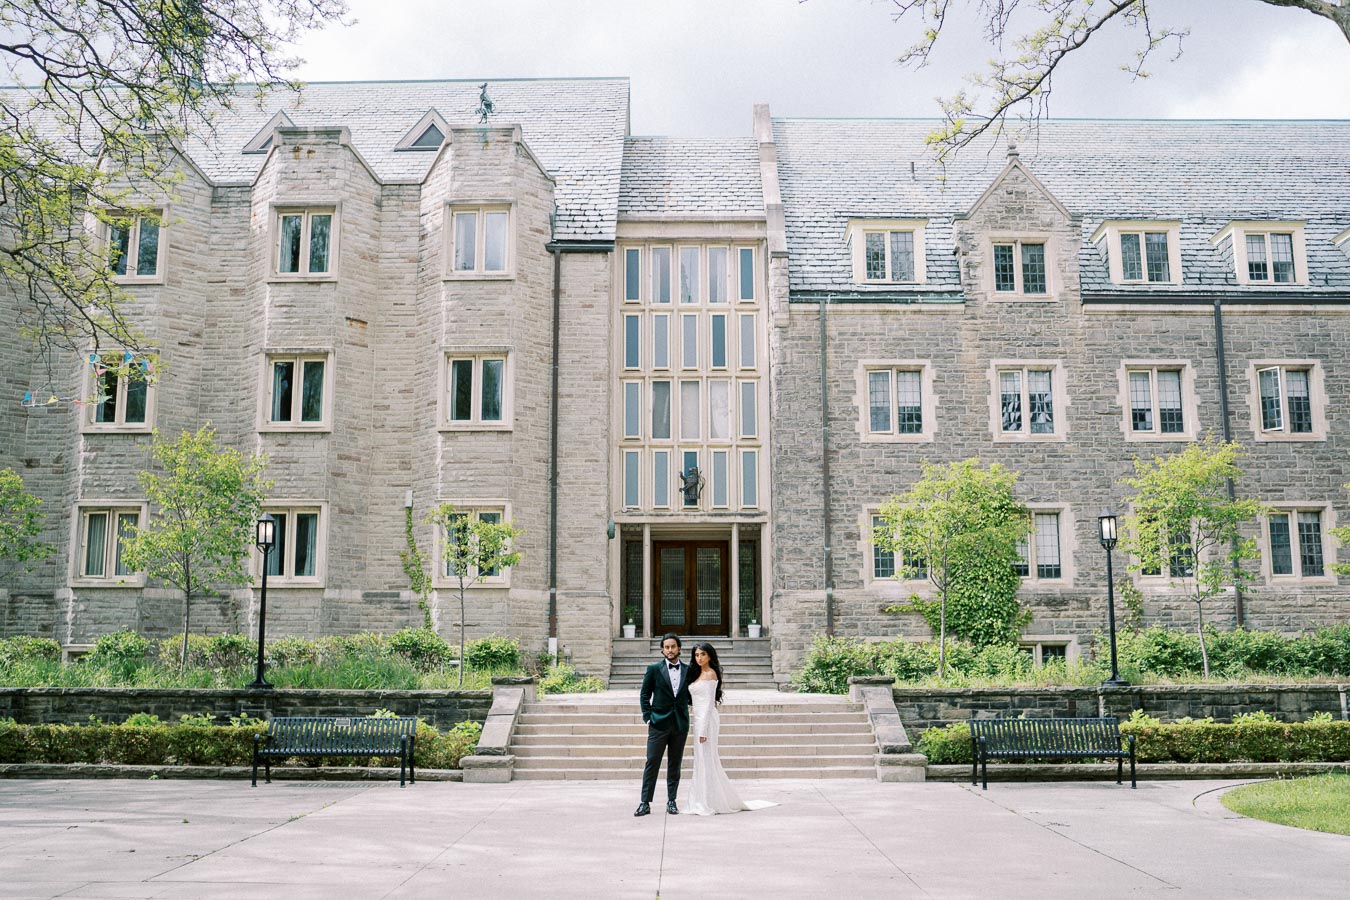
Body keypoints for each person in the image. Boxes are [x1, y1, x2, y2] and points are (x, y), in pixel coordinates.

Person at [683, 642, 777, 816]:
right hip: (698, 720)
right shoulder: (697, 674)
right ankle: (701, 798)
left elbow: (709, 705)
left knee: (706, 758)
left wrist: (703, 730)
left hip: (707, 720)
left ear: (710, 656)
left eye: (703, 654)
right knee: (701, 759)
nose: (699, 658)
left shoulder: (710, 675)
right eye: (696, 655)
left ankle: (708, 801)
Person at [635, 633, 691, 816]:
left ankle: (672, 801)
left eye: (673, 646)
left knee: (675, 764)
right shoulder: (653, 669)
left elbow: (692, 695)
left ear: (679, 648)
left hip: (679, 724)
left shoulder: (688, 670)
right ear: (662, 650)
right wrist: (648, 717)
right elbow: (644, 694)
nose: (670, 650)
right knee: (652, 762)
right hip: (658, 723)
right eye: (666, 647)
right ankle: (645, 802)